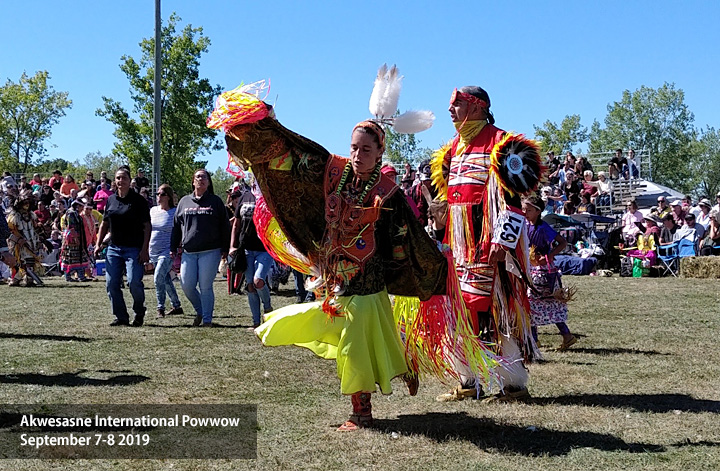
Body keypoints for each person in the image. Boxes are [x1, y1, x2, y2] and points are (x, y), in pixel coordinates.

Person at [433, 86, 539, 402]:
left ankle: (514, 386)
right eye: (451, 105)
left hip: (491, 250)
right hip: (460, 251)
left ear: (478, 107)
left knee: (501, 316)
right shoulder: (452, 151)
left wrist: (503, 242)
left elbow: (515, 202)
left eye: (458, 104)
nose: (451, 109)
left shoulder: (502, 145)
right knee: (459, 317)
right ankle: (468, 382)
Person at [171, 169, 230, 327]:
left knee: (205, 286)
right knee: (187, 285)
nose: (201, 179)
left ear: (209, 182)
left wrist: (226, 248)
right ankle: (200, 310)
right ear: (193, 181)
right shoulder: (184, 201)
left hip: (210, 251)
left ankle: (207, 319)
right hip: (188, 252)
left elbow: (225, 226)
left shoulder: (215, 201)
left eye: (204, 177)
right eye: (198, 177)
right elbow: (176, 226)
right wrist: (173, 247)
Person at [94, 166, 151, 327]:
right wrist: (98, 245)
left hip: (134, 248)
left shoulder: (138, 201)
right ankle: (121, 317)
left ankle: (139, 311)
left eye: (124, 178)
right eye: (118, 178)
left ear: (129, 180)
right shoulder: (111, 200)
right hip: (114, 248)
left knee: (133, 282)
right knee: (111, 284)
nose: (120, 181)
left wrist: (145, 249)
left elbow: (147, 226)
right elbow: (104, 224)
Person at [523, 196, 576, 350]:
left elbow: (563, 242)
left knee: (535, 303)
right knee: (537, 304)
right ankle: (566, 336)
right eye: (524, 209)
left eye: (529, 210)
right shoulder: (525, 225)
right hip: (531, 268)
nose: (525, 212)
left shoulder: (543, 227)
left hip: (543, 271)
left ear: (538, 211)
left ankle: (535, 340)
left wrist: (549, 256)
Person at [229, 182, 273, 329]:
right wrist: (232, 245)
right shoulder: (244, 197)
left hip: (264, 248)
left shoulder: (268, 196)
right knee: (250, 286)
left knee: (258, 281)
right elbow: (236, 224)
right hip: (246, 248)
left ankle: (267, 309)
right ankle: (256, 322)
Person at [150, 184, 183, 318]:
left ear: (168, 197)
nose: (159, 197)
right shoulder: (152, 211)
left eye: (162, 194)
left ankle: (160, 308)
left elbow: (181, 230)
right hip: (153, 251)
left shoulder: (175, 212)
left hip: (168, 251)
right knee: (165, 278)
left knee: (158, 277)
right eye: (157, 194)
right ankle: (176, 305)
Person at [5, 195, 45, 286]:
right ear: (19, 204)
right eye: (24, 203)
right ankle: (22, 279)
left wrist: (40, 237)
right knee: (22, 262)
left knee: (30, 261)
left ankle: (20, 279)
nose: (26, 205)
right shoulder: (14, 216)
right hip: (20, 243)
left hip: (32, 241)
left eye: (28, 203)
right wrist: (19, 240)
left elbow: (35, 228)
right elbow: (10, 231)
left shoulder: (31, 215)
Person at [60, 200, 90, 282]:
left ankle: (81, 276)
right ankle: (68, 277)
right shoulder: (71, 213)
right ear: (77, 206)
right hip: (71, 239)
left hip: (77, 237)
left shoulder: (75, 214)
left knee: (79, 256)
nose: (82, 209)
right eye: (81, 207)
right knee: (70, 257)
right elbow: (71, 227)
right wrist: (75, 238)